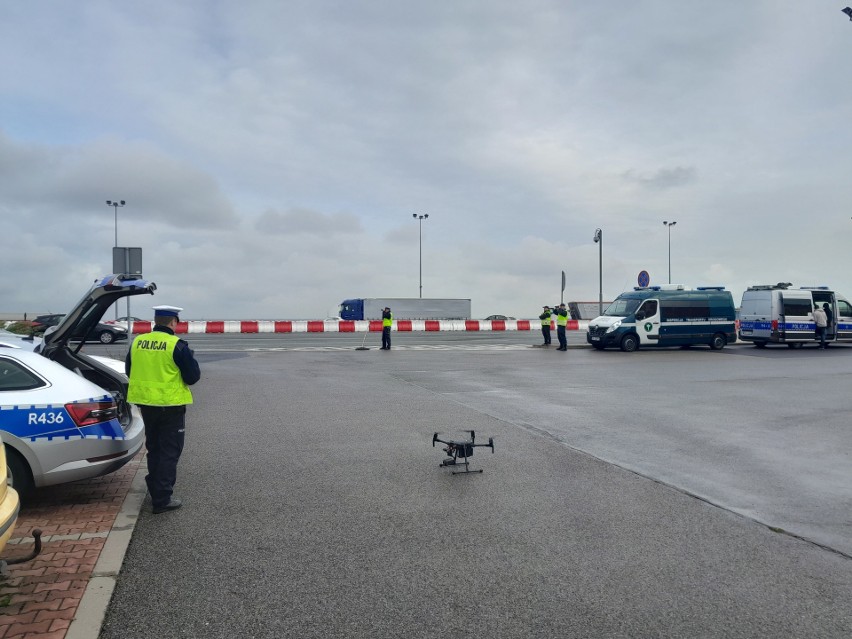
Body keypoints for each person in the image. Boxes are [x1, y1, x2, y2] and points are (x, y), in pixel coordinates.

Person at [126, 305, 201, 514]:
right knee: (169, 451)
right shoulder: (176, 345)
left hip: (146, 405)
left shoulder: (137, 342)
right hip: (170, 406)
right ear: (173, 322)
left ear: (155, 321)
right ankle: (162, 498)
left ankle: (155, 488)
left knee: (155, 448)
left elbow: (129, 370)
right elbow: (193, 377)